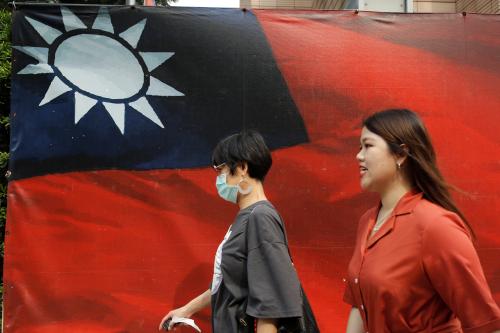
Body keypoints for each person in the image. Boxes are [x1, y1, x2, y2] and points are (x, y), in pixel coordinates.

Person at [344, 109, 500, 333]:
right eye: (359, 147)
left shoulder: (435, 226)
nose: (358, 156)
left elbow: (485, 323)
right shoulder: (367, 221)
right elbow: (358, 308)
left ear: (401, 154)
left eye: (368, 146)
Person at [159, 130, 303, 333]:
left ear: (242, 167)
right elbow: (228, 283)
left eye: (220, 170)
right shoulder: (248, 217)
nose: (218, 179)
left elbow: (271, 306)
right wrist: (187, 310)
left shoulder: (260, 217)